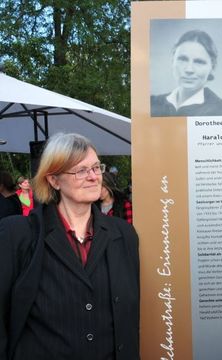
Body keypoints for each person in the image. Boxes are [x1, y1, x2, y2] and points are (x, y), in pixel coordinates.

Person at [0, 133, 140, 359]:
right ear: (53, 180)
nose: (94, 177)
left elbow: (129, 319)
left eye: (96, 167)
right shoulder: (18, 235)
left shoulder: (123, 235)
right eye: (81, 170)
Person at [151, 30, 222, 117]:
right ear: (172, 61)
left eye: (199, 62)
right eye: (183, 59)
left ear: (212, 67)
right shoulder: (152, 103)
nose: (189, 69)